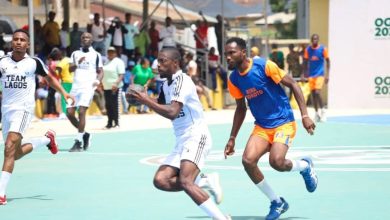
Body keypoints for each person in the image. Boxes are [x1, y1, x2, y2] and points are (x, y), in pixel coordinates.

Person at [129, 47, 230, 220]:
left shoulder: (183, 80)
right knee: (161, 180)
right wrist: (144, 97)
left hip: (196, 136)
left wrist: (145, 100)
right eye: (158, 61)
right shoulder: (166, 84)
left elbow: (172, 112)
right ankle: (204, 181)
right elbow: (161, 104)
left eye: (163, 61)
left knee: (185, 181)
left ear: (175, 63)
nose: (158, 65)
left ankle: (220, 217)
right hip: (181, 140)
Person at [223, 37, 318, 220]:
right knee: (247, 161)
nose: (227, 57)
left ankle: (305, 166)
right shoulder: (234, 79)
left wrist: (304, 115)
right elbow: (241, 108)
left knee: (277, 162)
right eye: (226, 53)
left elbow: (293, 84)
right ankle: (277, 202)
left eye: (231, 53)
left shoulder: (264, 66)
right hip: (262, 126)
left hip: (284, 121)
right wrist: (232, 137)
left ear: (243, 53)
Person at [0, 29, 74, 205]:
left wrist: (64, 92)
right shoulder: (2, 62)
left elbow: (49, 79)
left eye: (22, 40)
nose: (18, 42)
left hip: (23, 110)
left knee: (9, 147)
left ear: (27, 44)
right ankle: (46, 140)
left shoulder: (33, 63)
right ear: (12, 43)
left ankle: (1, 194)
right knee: (14, 154)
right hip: (6, 111)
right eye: (16, 39)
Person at [67, 32, 103, 152]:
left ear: (91, 40)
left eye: (88, 37)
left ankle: (78, 142)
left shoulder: (96, 55)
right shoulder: (75, 54)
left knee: (81, 112)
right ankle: (85, 134)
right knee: (70, 113)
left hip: (88, 87)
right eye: (83, 38)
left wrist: (97, 81)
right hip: (75, 88)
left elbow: (101, 71)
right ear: (81, 40)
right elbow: (70, 69)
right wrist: (78, 63)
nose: (85, 39)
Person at [302, 34, 330, 122]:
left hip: (320, 75)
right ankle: (317, 113)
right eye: (313, 39)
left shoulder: (323, 49)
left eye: (316, 39)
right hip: (311, 75)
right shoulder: (308, 50)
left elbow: (328, 61)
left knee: (317, 93)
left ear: (318, 40)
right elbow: (305, 62)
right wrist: (303, 74)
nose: (315, 40)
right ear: (311, 40)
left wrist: (327, 75)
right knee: (313, 95)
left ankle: (323, 111)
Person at [102, 47, 125, 128]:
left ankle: (116, 123)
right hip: (106, 87)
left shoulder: (119, 62)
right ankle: (109, 123)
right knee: (108, 105)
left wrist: (116, 83)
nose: (110, 53)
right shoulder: (105, 61)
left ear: (115, 53)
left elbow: (121, 74)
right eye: (109, 52)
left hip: (115, 87)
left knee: (115, 105)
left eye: (112, 52)